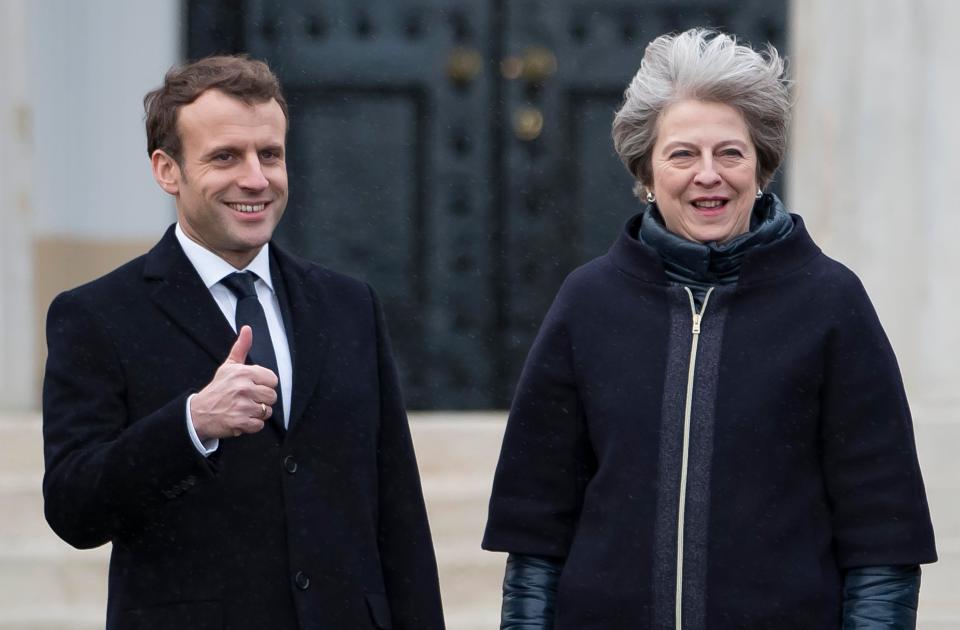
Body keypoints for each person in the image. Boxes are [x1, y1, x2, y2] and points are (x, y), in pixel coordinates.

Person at [482, 28, 936, 629]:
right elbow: (537, 532)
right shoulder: (587, 303)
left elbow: (882, 537)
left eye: (730, 152)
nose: (708, 175)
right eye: (682, 154)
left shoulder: (831, 302)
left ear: (761, 165)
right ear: (646, 170)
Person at [42, 55, 445, 630]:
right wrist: (191, 424)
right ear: (167, 170)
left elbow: (399, 513)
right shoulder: (97, 315)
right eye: (225, 156)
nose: (255, 178)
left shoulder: (349, 304)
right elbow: (73, 507)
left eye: (271, 155)